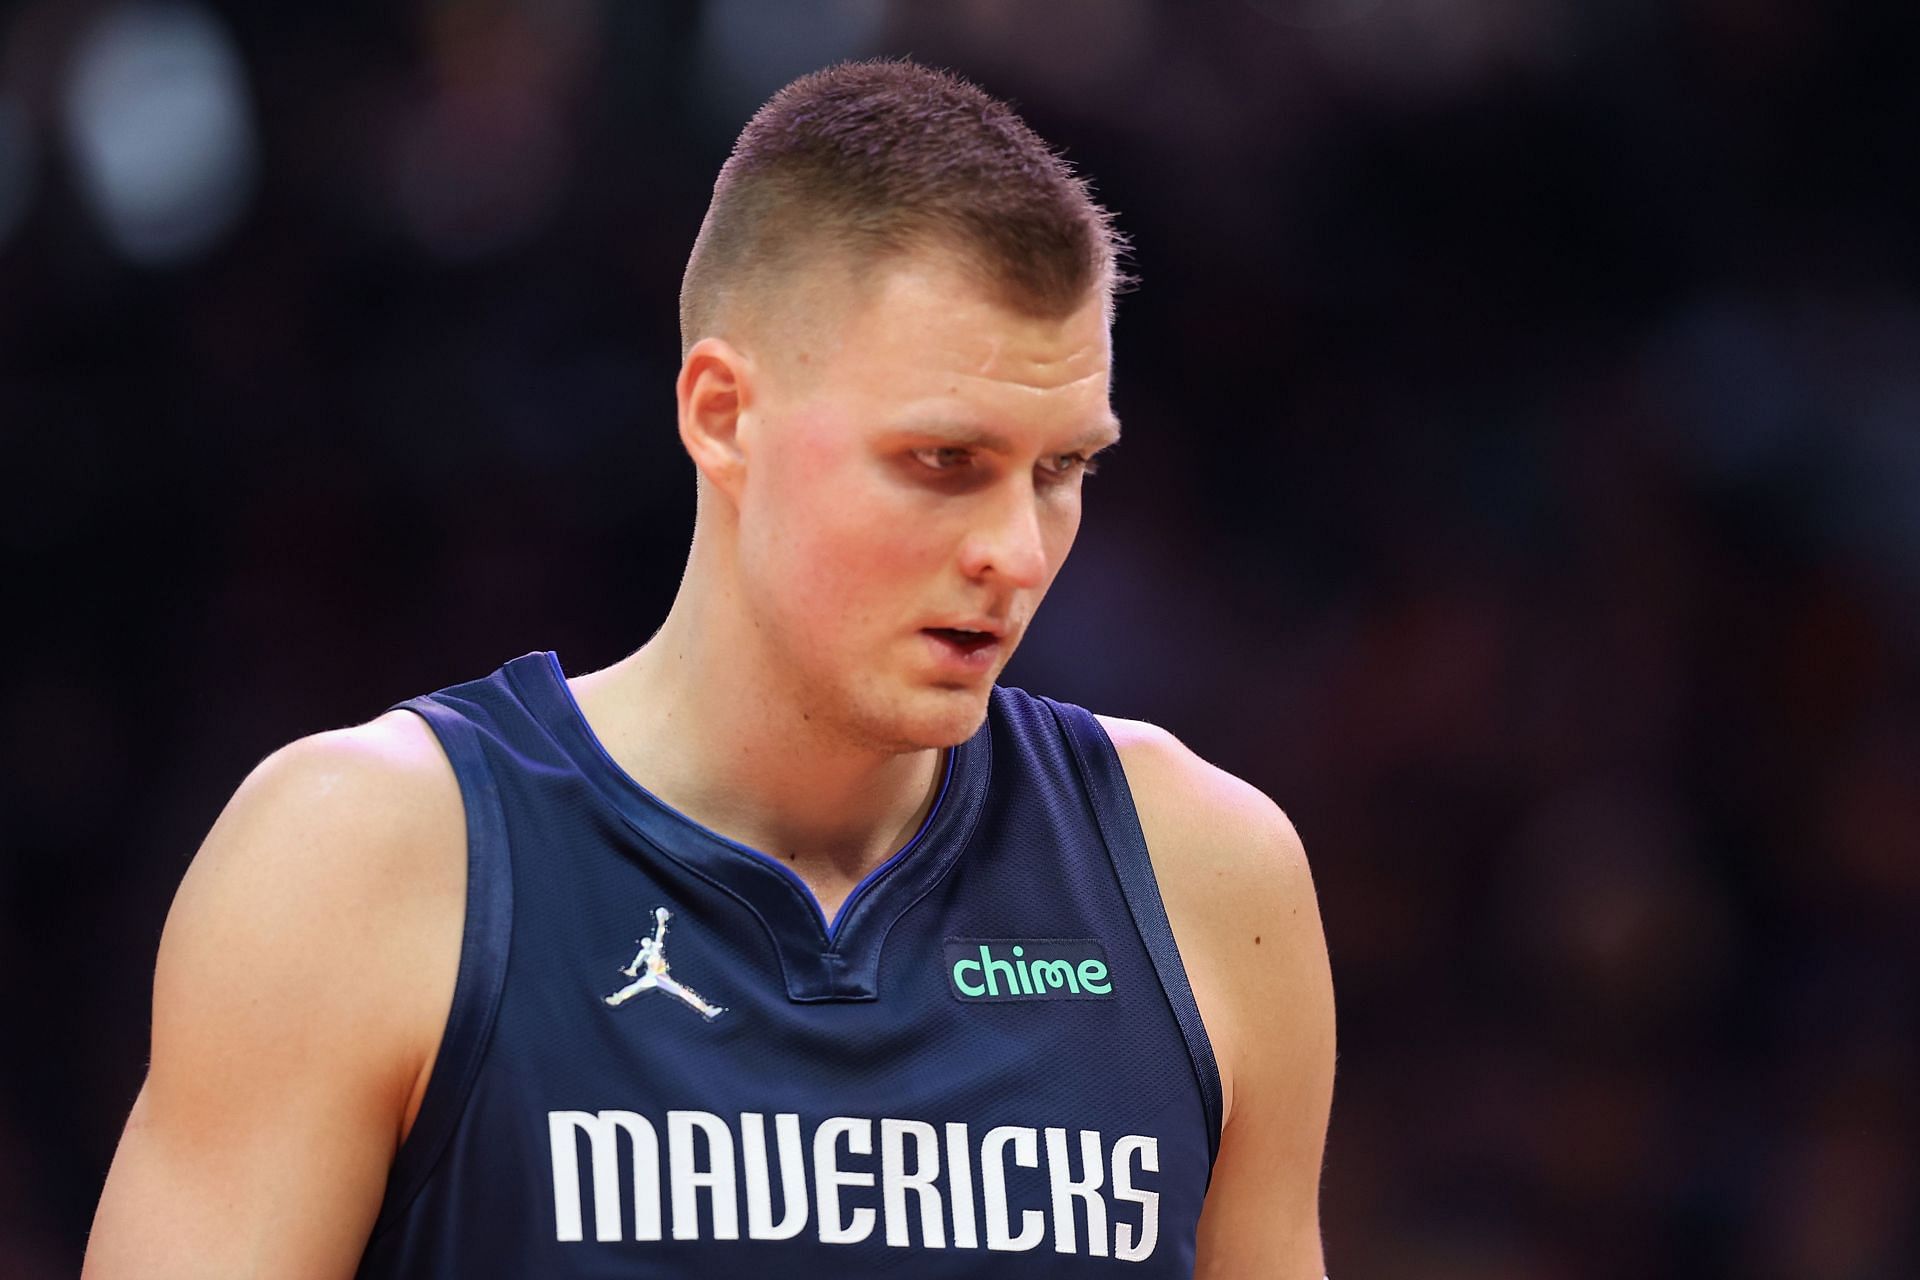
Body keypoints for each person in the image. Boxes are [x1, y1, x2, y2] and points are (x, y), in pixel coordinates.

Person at [84, 59, 1335, 1278]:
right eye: (945, 459)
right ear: (723, 414)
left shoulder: (1206, 878)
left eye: (1062, 470)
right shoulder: (366, 861)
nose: (1014, 549)